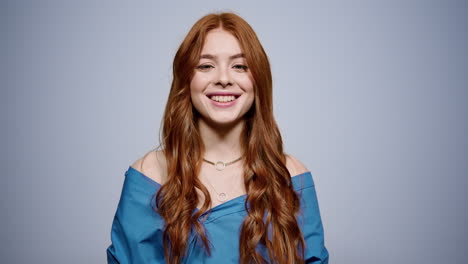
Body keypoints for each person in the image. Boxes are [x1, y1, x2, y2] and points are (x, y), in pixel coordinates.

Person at [106, 12, 329, 264]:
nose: (223, 79)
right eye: (205, 66)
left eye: (240, 66)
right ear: (186, 79)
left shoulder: (289, 175)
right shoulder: (150, 174)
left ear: (258, 80)